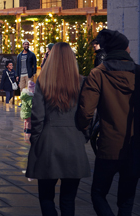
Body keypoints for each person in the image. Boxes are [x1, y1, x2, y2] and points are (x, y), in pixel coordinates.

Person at [77, 30, 140, 216]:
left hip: (109, 145)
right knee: (127, 198)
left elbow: (86, 111)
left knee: (98, 193)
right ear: (124, 48)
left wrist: (83, 128)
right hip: (136, 145)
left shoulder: (98, 74)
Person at [26, 43, 91, 216]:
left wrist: (36, 139)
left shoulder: (44, 81)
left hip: (49, 142)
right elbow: (88, 113)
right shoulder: (82, 82)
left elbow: (37, 116)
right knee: (69, 199)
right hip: (74, 141)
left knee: (46, 197)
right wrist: (84, 135)